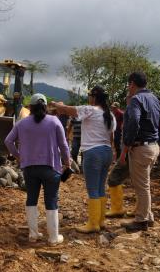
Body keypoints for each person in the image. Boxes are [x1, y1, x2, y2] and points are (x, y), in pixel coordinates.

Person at [5, 93, 71, 245]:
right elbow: (63, 145)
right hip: (51, 167)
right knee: (51, 200)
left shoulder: (22, 123)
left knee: (31, 199)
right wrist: (67, 162)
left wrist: (18, 156)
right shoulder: (54, 121)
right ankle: (54, 237)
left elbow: (8, 141)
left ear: (31, 108)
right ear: (45, 106)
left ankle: (33, 235)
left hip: (29, 168)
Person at [51, 86, 116, 233]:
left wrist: (55, 104)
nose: (88, 98)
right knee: (100, 187)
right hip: (106, 151)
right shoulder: (109, 115)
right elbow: (111, 137)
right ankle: (100, 221)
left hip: (93, 152)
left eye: (89, 96)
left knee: (92, 188)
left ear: (94, 97)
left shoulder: (90, 110)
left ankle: (93, 224)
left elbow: (68, 109)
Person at [120, 72, 160, 233]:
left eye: (128, 85)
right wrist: (159, 142)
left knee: (142, 186)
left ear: (132, 84)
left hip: (141, 147)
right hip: (153, 147)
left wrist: (128, 142)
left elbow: (133, 121)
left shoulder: (136, 100)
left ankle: (141, 220)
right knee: (144, 184)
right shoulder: (155, 100)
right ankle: (149, 216)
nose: (128, 88)